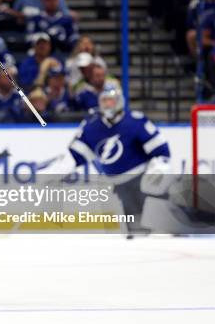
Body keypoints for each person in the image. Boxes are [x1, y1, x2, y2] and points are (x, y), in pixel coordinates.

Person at [67, 88, 172, 234]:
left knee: (163, 224)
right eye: (103, 101)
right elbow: (75, 156)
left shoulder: (135, 121)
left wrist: (159, 168)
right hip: (118, 186)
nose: (107, 104)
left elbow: (161, 150)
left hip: (142, 180)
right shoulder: (92, 126)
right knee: (136, 230)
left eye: (110, 100)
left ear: (119, 102)